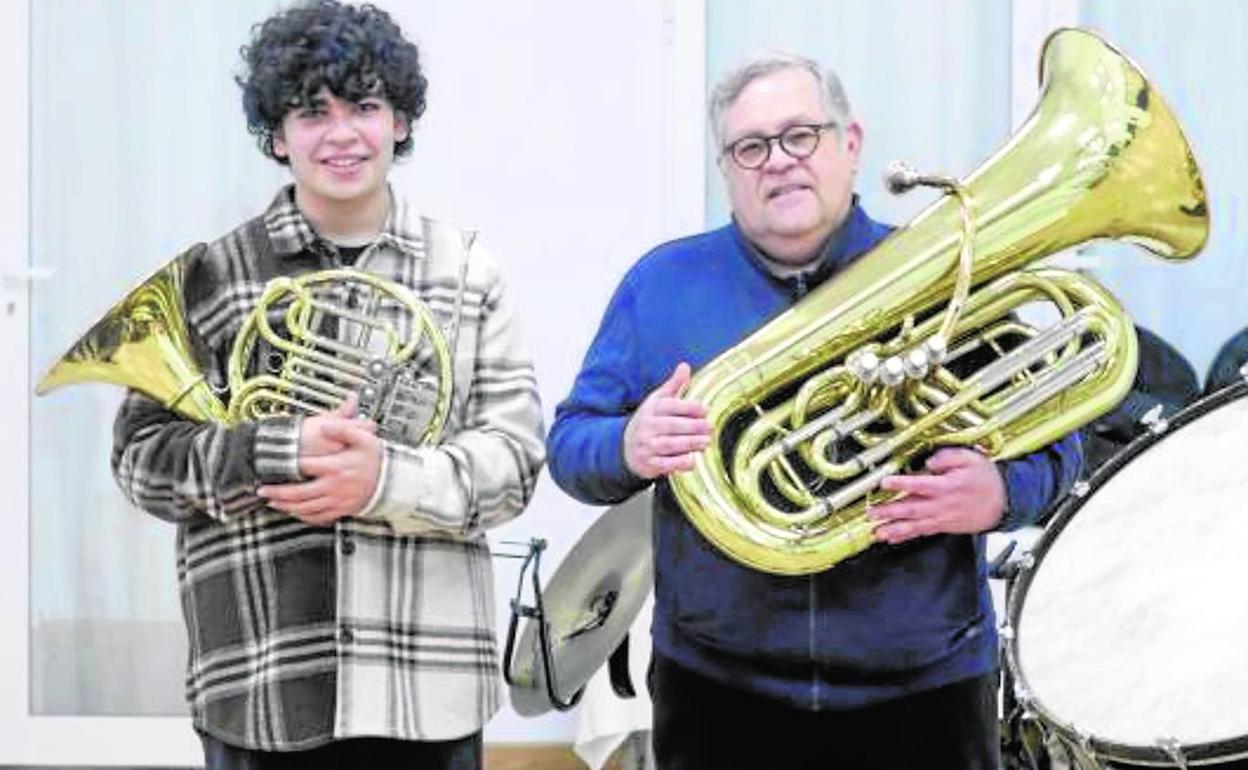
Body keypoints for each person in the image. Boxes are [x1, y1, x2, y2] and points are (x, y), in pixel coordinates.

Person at [547, 53, 1081, 770]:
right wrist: (627, 445)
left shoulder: (947, 278)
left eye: (802, 135)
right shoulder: (662, 286)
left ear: (850, 144)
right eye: (751, 146)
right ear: (726, 168)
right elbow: (570, 445)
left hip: (926, 687)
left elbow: (1061, 446)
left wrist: (1000, 493)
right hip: (718, 691)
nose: (778, 162)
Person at [110, 2, 545, 768]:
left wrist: (384, 478)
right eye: (312, 112)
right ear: (278, 136)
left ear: (401, 122)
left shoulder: (467, 271)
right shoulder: (214, 276)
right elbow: (141, 462)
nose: (341, 133)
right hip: (261, 684)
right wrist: (278, 450)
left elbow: (514, 462)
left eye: (366, 106)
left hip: (426, 691)